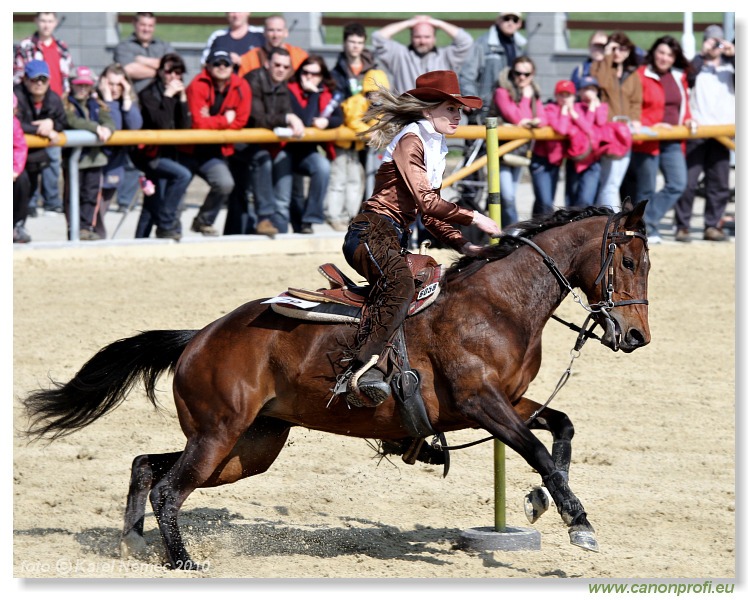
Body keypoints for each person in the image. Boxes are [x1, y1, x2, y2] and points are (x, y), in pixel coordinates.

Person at [341, 70, 500, 406]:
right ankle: (361, 369)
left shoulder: (433, 144)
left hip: (390, 237)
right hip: (371, 232)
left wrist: (464, 244)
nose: (458, 116)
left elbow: (428, 215)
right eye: (450, 109)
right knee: (401, 287)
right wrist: (475, 217)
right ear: (429, 111)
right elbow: (428, 202)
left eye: (459, 110)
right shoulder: (412, 139)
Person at [226, 47, 304, 236]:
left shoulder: (282, 85)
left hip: (262, 145)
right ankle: (264, 218)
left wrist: (289, 118)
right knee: (241, 191)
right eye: (276, 64)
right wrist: (287, 117)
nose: (280, 69)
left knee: (241, 196)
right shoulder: (253, 80)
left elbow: (280, 115)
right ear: (267, 64)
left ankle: (273, 224)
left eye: (285, 67)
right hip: (239, 145)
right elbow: (257, 117)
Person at [673, 25, 735, 243]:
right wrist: (703, 54)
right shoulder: (696, 65)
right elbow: (687, 76)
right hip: (696, 131)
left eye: (719, 41)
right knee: (688, 182)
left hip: (723, 132)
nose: (715, 45)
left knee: (719, 183)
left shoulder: (732, 67)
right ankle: (683, 226)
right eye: (711, 41)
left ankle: (712, 225)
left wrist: (735, 54)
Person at [631, 35, 694, 243]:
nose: (664, 58)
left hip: (673, 139)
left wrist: (687, 121)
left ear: (674, 57)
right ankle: (647, 229)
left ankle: (643, 222)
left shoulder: (679, 76)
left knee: (678, 183)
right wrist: (652, 125)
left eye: (669, 54)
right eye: (661, 52)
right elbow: (634, 106)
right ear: (653, 52)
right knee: (646, 189)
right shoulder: (640, 75)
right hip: (647, 138)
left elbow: (683, 105)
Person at [182, 49, 251, 236]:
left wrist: (211, 119)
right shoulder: (198, 84)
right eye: (217, 63)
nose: (222, 67)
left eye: (226, 64)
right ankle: (167, 227)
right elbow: (197, 123)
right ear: (208, 66)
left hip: (215, 151)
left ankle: (204, 221)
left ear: (232, 67)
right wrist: (224, 120)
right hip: (187, 149)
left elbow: (241, 121)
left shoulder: (241, 86)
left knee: (225, 184)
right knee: (177, 185)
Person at [13, 12, 72, 215]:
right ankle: (28, 204)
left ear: (55, 23)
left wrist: (52, 124)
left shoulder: (62, 46)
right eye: (43, 20)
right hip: (28, 108)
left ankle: (51, 201)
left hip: (50, 106)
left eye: (50, 20)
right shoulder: (26, 46)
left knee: (52, 159)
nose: (46, 25)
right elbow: (18, 75)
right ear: (36, 22)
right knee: (26, 162)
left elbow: (65, 78)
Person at [133, 53, 193, 240]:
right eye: (169, 72)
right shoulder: (148, 94)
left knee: (152, 203)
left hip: (169, 154)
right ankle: (166, 224)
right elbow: (162, 124)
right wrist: (168, 96)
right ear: (160, 72)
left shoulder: (178, 95)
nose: (174, 76)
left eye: (178, 72)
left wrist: (182, 100)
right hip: (150, 155)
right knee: (183, 175)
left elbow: (185, 127)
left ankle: (139, 241)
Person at [326, 69, 391, 231]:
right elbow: (353, 121)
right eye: (375, 91)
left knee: (356, 181)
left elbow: (376, 124)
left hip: (356, 149)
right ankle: (334, 215)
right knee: (339, 181)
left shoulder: (375, 107)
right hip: (343, 148)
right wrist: (372, 132)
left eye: (381, 92)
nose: (378, 96)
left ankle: (351, 215)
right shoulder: (357, 102)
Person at [286, 55, 343, 234]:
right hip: (284, 149)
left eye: (315, 74)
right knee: (294, 194)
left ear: (322, 76)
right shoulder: (290, 90)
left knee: (322, 167)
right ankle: (298, 227)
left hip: (307, 150)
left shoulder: (326, 92)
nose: (309, 77)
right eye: (305, 72)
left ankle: (309, 220)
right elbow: (305, 119)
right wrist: (312, 94)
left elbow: (339, 117)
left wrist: (327, 122)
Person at [62, 66, 116, 241]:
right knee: (72, 196)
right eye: (79, 85)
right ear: (71, 85)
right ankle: (74, 228)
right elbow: (72, 121)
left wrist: (107, 128)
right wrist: (95, 128)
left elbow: (108, 121)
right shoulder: (66, 104)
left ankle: (87, 227)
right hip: (74, 160)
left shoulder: (97, 104)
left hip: (94, 159)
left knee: (91, 195)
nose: (82, 89)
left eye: (86, 85)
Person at [590, 31, 642, 210]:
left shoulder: (631, 74)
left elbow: (636, 101)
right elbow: (601, 83)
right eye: (614, 48)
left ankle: (604, 216)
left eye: (623, 48)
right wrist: (606, 56)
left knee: (614, 180)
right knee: (610, 180)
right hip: (606, 132)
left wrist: (635, 119)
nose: (618, 52)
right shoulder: (601, 68)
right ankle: (610, 218)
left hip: (624, 132)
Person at [493, 56, 546, 227]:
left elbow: (543, 118)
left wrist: (534, 120)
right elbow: (514, 116)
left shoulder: (533, 93)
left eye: (526, 74)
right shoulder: (502, 91)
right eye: (518, 73)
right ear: (512, 73)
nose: (522, 77)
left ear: (532, 75)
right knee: (507, 197)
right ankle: (513, 233)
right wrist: (525, 99)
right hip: (501, 150)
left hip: (520, 151)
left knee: (510, 196)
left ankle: (506, 232)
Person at [13, 60, 67, 227]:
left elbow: (62, 121)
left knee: (27, 196)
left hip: (35, 158)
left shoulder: (53, 98)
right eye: (34, 79)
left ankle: (18, 228)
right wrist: (40, 130)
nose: (39, 83)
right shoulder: (15, 96)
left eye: (43, 79)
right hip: (14, 158)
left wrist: (51, 124)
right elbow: (15, 123)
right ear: (25, 79)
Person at [96, 63, 143, 239]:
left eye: (119, 85)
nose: (114, 89)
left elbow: (135, 126)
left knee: (104, 203)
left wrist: (127, 101)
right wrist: (108, 100)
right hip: (97, 161)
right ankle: (96, 237)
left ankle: (98, 236)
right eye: (110, 84)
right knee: (93, 205)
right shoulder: (96, 100)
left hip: (115, 163)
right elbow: (113, 125)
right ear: (102, 82)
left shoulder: (126, 102)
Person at [371, 15, 473, 93]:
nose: (422, 41)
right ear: (411, 37)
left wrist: (438, 23)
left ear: (434, 38)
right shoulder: (399, 55)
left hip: (438, 115)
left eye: (427, 37)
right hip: (407, 114)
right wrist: (409, 23)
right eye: (418, 37)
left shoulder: (446, 56)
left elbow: (466, 41)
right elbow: (378, 37)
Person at [459, 12, 526, 124]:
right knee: (482, 141)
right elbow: (467, 75)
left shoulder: (519, 47)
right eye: (506, 19)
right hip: (485, 110)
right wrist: (471, 100)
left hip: (511, 108)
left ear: (519, 24)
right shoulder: (483, 44)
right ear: (498, 20)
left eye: (515, 20)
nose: (510, 23)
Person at [529, 80, 575, 216]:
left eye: (568, 95)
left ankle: (534, 229)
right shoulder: (550, 109)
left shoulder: (575, 111)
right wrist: (566, 111)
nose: (565, 98)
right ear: (556, 95)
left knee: (544, 200)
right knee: (545, 202)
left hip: (555, 162)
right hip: (541, 160)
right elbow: (561, 129)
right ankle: (536, 229)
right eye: (562, 94)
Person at [563, 76, 608, 208]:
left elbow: (600, 122)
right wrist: (576, 112)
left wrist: (595, 107)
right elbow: (587, 126)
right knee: (571, 201)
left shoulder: (602, 107)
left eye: (593, 89)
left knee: (586, 200)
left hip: (593, 160)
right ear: (579, 92)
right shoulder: (576, 107)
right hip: (575, 158)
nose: (589, 92)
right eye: (586, 89)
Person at [113, 12, 175, 95]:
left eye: (150, 26)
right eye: (143, 25)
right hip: (135, 100)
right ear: (134, 23)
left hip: (164, 98)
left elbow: (173, 66)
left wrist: (144, 61)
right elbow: (129, 70)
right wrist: (161, 72)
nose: (146, 29)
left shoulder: (164, 46)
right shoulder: (123, 47)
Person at [237, 15, 308, 78]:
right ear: (264, 32)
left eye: (279, 30)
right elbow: (242, 85)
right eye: (271, 30)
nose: (275, 35)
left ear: (286, 33)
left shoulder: (300, 55)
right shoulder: (250, 58)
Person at [200, 12, 264, 71]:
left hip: (254, 81)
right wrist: (223, 61)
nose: (236, 15)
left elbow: (270, 63)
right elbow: (204, 64)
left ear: (248, 12)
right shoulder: (217, 36)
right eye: (232, 11)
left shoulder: (262, 34)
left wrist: (243, 61)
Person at [331, 22, 377, 100]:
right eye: (352, 42)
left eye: (360, 43)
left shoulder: (373, 70)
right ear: (344, 43)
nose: (356, 46)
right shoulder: (336, 73)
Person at [14, 94, 32, 244]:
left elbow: (20, 147)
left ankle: (17, 226)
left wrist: (15, 169)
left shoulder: (13, 124)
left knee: (22, 181)